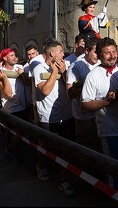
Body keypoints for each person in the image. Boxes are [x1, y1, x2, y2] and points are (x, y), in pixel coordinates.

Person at [81, 37, 118, 195]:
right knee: (116, 170)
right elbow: (85, 106)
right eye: (107, 53)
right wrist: (107, 101)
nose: (112, 56)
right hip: (110, 130)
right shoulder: (93, 76)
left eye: (114, 52)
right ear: (99, 55)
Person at [33, 40, 76, 196]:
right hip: (48, 116)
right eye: (61, 51)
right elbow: (45, 90)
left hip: (67, 115)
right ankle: (42, 166)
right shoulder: (39, 68)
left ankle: (64, 180)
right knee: (46, 145)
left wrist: (64, 72)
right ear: (52, 53)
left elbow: (69, 86)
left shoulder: (64, 66)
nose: (63, 54)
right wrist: (54, 72)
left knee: (66, 149)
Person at [66, 36, 102, 179]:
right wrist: (86, 86)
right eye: (95, 52)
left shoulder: (100, 64)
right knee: (87, 152)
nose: (98, 56)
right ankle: (86, 180)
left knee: (100, 153)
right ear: (86, 51)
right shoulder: (76, 66)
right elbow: (70, 94)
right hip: (85, 119)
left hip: (101, 116)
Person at [0, 48, 28, 166]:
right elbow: (8, 94)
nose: (15, 57)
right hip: (10, 108)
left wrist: (23, 75)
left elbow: (28, 83)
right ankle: (16, 154)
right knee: (16, 133)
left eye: (15, 55)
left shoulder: (19, 67)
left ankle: (10, 147)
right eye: (12, 55)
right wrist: (4, 79)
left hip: (22, 106)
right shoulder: (0, 72)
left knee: (15, 133)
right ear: (5, 58)